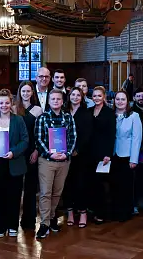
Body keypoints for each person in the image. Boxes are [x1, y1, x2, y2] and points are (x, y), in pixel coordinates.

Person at [0, 89, 29, 238]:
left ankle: (12, 226)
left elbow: (25, 140)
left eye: (7, 103)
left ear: (11, 103)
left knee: (14, 196)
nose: (4, 105)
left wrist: (13, 152)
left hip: (14, 163)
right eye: (1, 103)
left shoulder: (19, 120)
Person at [34, 89, 77, 239]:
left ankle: (52, 217)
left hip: (64, 161)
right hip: (47, 160)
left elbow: (73, 137)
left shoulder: (68, 117)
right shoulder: (42, 118)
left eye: (58, 99)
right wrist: (50, 153)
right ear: (49, 101)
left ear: (62, 101)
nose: (56, 101)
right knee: (45, 192)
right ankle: (44, 223)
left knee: (57, 192)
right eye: (53, 99)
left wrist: (66, 153)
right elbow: (39, 139)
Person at [15, 80, 43, 230]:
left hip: (32, 151)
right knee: (16, 186)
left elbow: (40, 134)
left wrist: (37, 150)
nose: (26, 94)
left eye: (28, 91)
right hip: (18, 152)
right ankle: (13, 219)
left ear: (33, 93)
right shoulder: (14, 108)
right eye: (23, 91)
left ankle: (29, 220)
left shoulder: (38, 110)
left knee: (31, 187)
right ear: (19, 92)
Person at [87, 86, 116, 224]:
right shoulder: (89, 111)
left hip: (103, 153)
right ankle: (92, 209)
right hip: (89, 152)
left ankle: (102, 212)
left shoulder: (109, 112)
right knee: (91, 182)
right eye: (94, 96)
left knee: (102, 184)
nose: (97, 98)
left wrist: (108, 154)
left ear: (104, 97)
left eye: (99, 96)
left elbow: (112, 135)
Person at [111, 91, 142, 222]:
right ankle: (115, 211)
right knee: (115, 185)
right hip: (113, 154)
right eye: (117, 99)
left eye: (123, 99)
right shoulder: (110, 115)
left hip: (127, 155)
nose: (120, 102)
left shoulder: (134, 116)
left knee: (126, 185)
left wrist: (134, 159)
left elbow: (137, 138)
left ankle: (126, 212)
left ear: (128, 101)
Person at [63, 87, 92, 227]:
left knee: (81, 184)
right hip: (64, 155)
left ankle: (82, 213)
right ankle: (69, 212)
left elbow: (87, 135)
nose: (75, 97)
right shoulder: (64, 112)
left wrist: (77, 149)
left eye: (78, 95)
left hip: (81, 155)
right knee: (67, 184)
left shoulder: (86, 114)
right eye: (72, 94)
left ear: (82, 97)